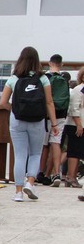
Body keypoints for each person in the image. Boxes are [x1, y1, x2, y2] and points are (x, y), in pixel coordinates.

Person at [0, 47, 58, 202]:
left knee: (20, 155)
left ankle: (18, 192)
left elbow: (3, 102)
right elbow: (50, 102)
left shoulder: (14, 78)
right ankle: (30, 183)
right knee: (35, 154)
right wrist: (54, 123)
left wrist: (15, 109)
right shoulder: (43, 78)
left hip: (17, 121)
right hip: (37, 121)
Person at [38, 54, 68, 186]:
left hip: (46, 116)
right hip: (61, 115)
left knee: (44, 145)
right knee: (56, 143)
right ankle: (56, 173)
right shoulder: (64, 79)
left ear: (50, 63)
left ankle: (41, 173)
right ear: (61, 64)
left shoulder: (45, 78)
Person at [63, 67, 84, 188]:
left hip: (81, 124)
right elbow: (74, 109)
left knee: (79, 152)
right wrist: (79, 125)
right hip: (75, 125)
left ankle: (73, 176)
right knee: (74, 152)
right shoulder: (79, 89)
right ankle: (70, 176)